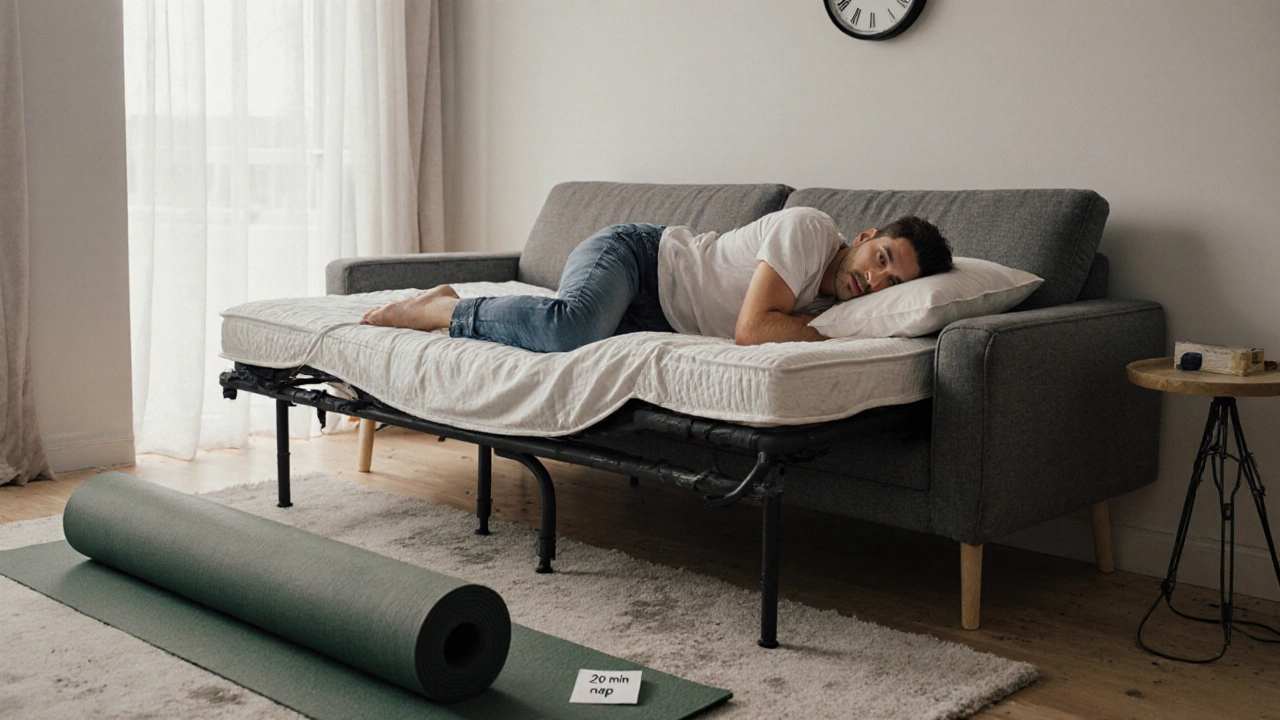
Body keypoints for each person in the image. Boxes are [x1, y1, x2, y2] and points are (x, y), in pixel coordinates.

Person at [361, 207, 954, 352]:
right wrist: (816, 335)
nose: (876, 283)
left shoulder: (831, 305)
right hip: (639, 259)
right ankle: (440, 309)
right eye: (883, 261)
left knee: (585, 338)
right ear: (865, 238)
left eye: (891, 284)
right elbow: (752, 330)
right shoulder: (809, 229)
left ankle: (452, 304)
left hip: (658, 317)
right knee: (572, 329)